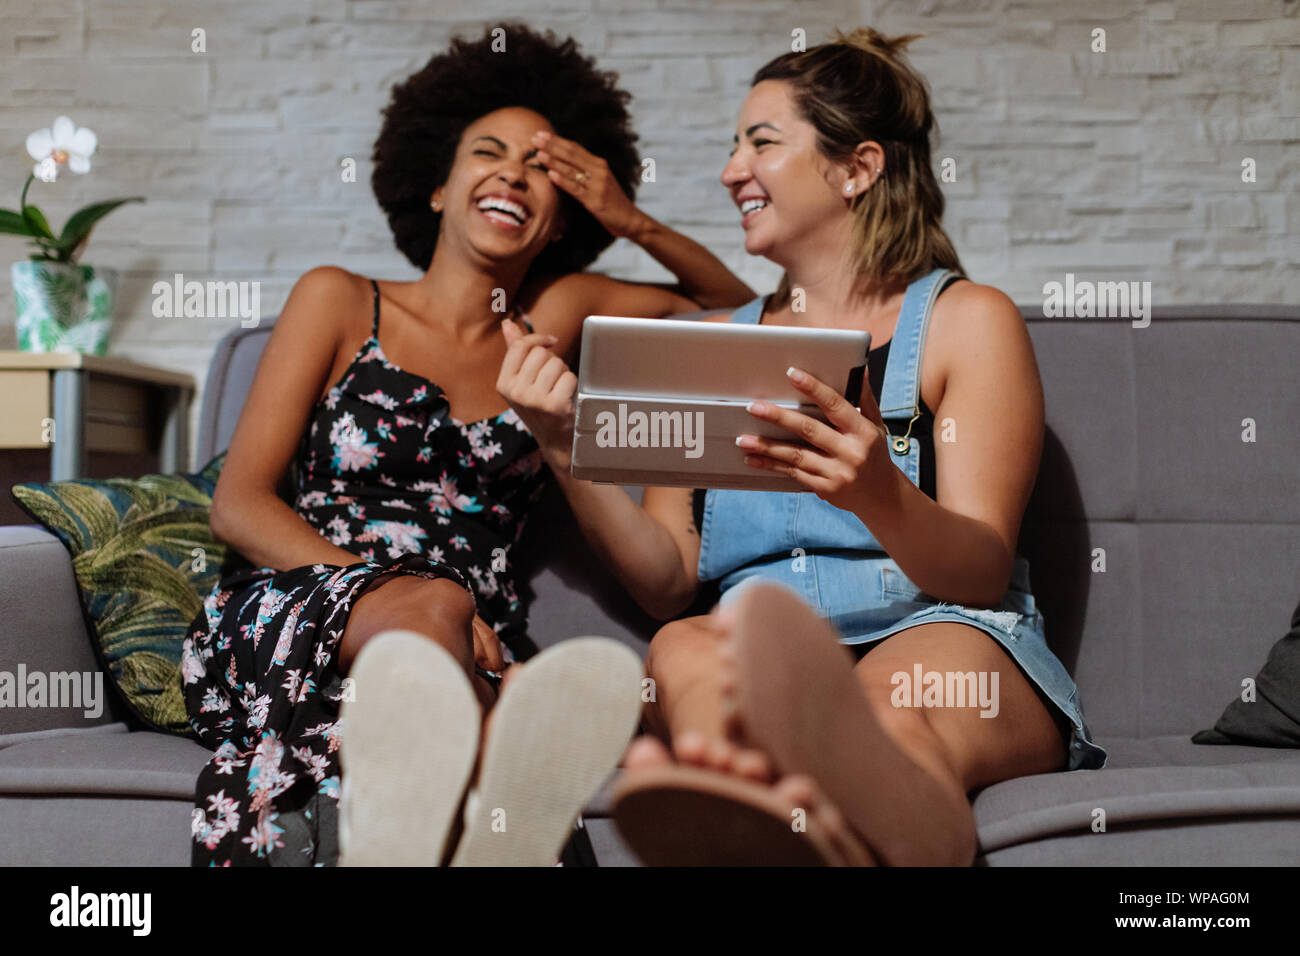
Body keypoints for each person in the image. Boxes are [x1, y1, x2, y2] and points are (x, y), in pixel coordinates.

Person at [497, 27, 1108, 867]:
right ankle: (740, 800)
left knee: (885, 709)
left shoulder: (967, 323)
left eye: (761, 141)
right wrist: (563, 443)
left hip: (938, 625)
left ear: (857, 169)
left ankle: (827, 807)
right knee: (683, 647)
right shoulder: (706, 347)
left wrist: (876, 493)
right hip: (762, 641)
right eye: (732, 144)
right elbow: (669, 580)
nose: (730, 170)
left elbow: (978, 568)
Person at [180, 20, 754, 867]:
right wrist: (410, 592)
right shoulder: (338, 300)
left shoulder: (554, 320)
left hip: (471, 637)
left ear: (561, 221)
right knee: (440, 613)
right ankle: (480, 751)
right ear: (438, 187)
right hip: (303, 612)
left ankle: (429, 817)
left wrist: (631, 219)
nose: (514, 177)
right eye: (489, 154)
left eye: (543, 170)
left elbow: (738, 318)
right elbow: (241, 504)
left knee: (450, 651)